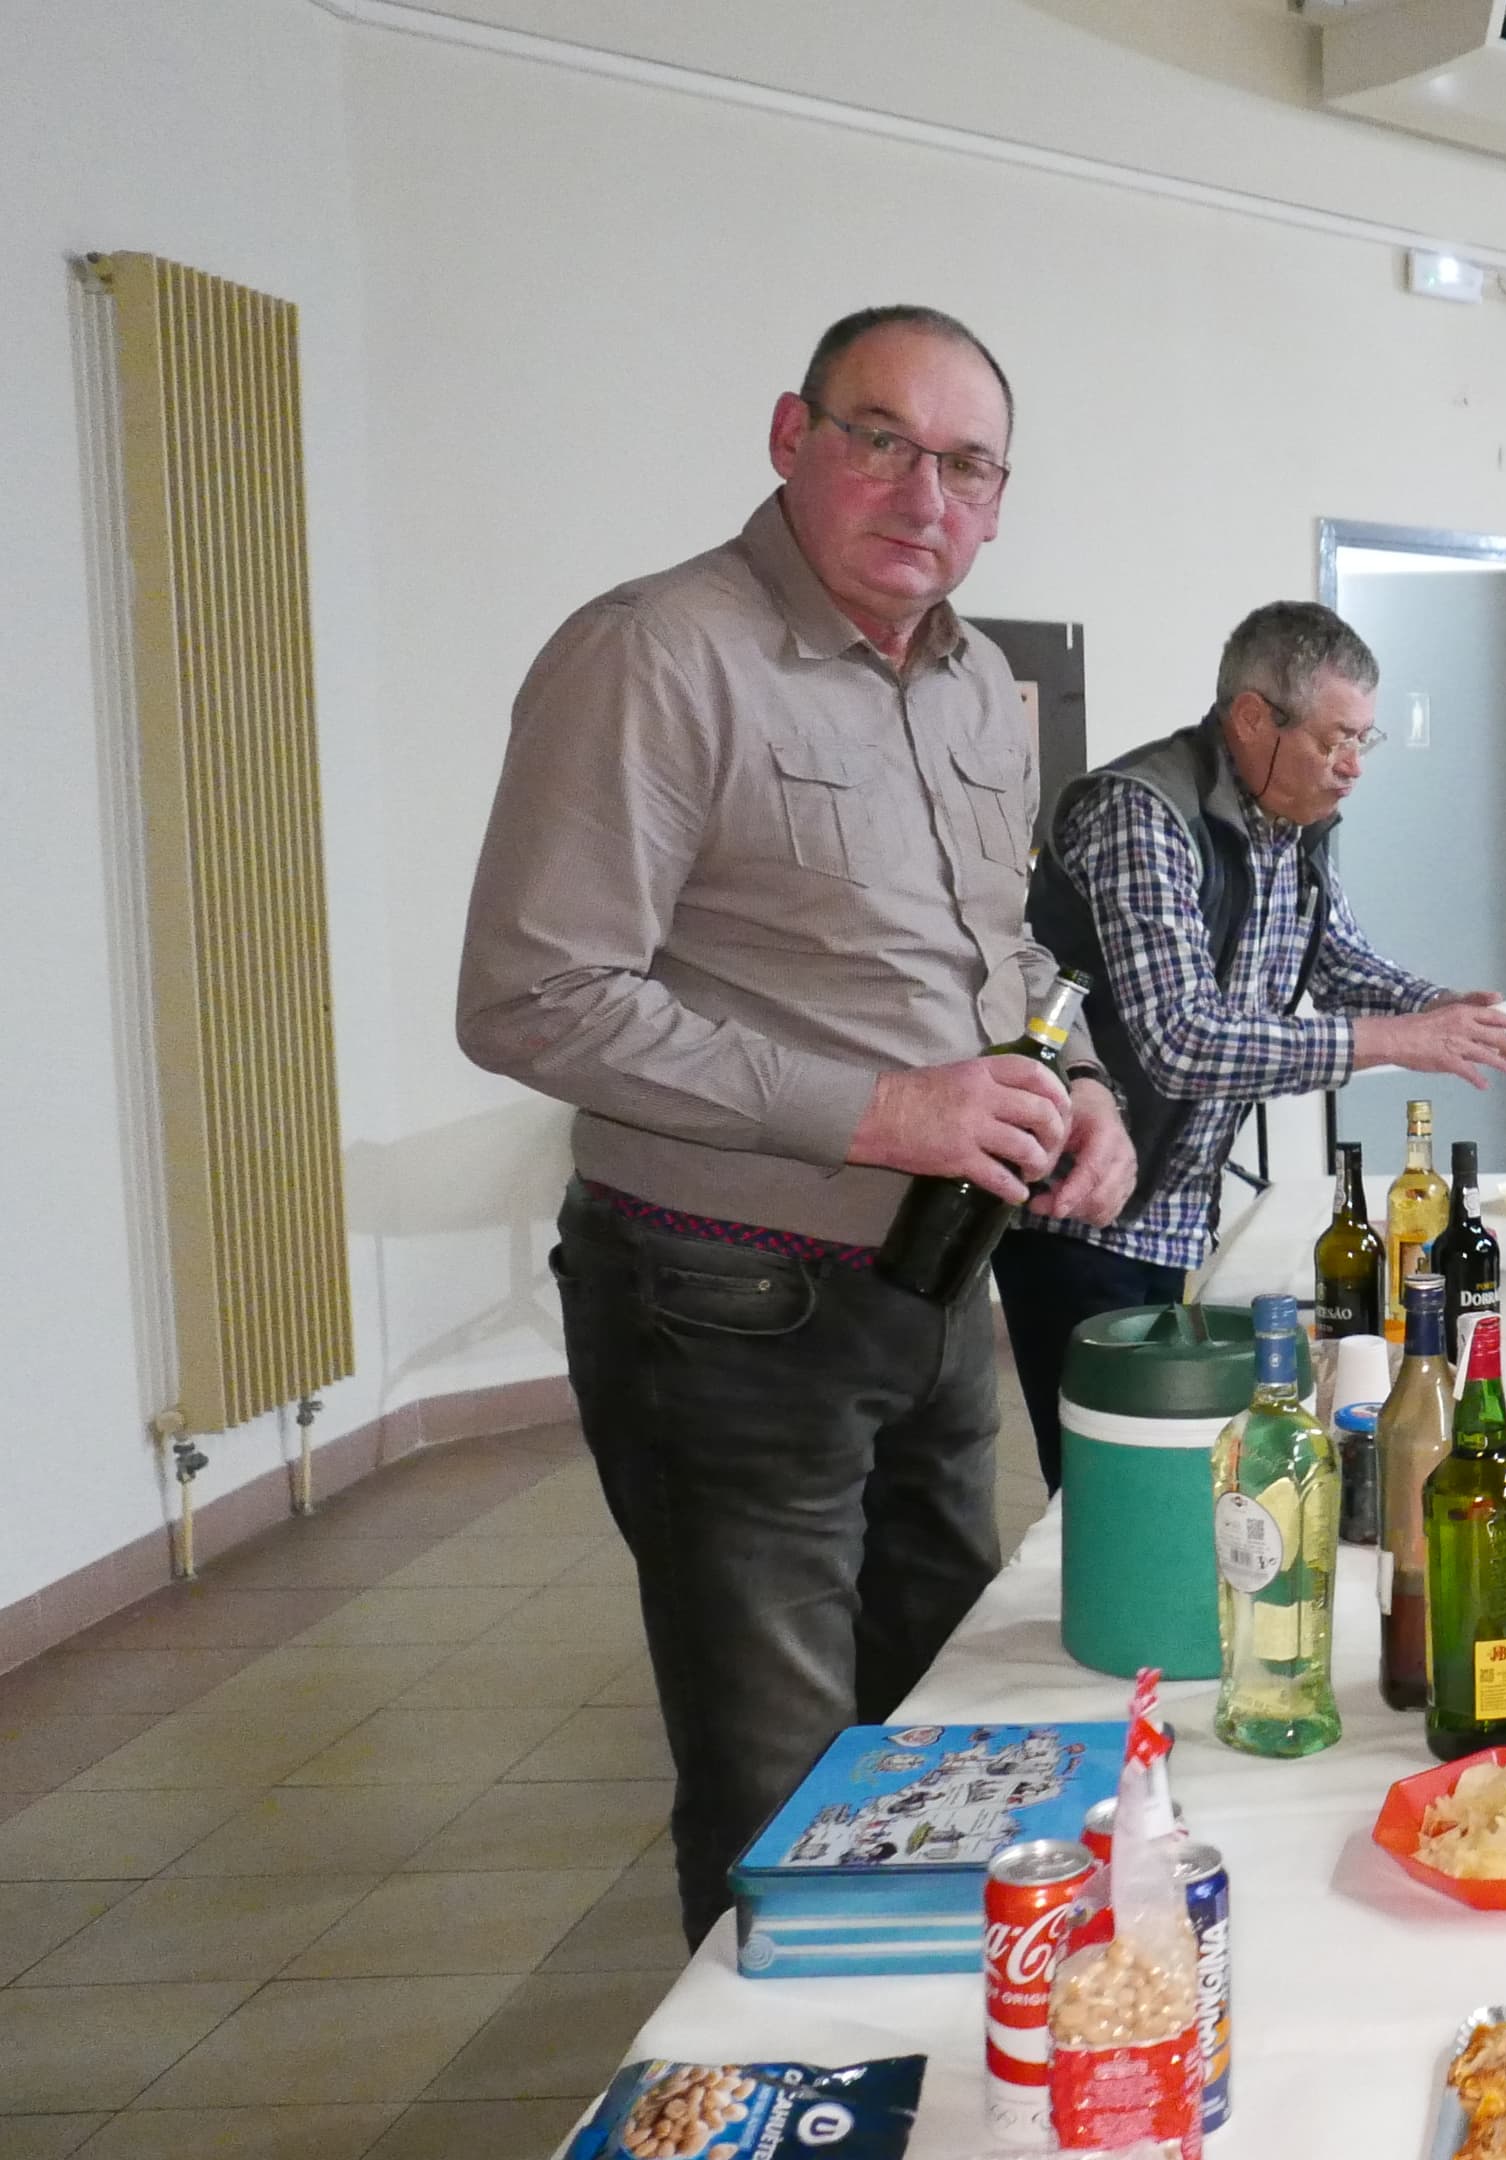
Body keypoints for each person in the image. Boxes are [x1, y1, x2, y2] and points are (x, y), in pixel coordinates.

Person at [460, 305, 1137, 1945]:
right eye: (880, 441)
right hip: (721, 1306)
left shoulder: (976, 685)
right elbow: (533, 998)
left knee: (945, 1741)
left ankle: (937, 2058)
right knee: (780, 1783)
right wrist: (885, 1109)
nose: (924, 495)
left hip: (936, 1287)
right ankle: (776, 2068)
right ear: (791, 437)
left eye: (968, 465)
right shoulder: (658, 653)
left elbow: (996, 953)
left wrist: (1081, 1084)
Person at [997, 602, 1506, 1489]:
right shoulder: (1143, 814)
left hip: (1168, 1212)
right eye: (1335, 740)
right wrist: (1396, 1038)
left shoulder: (1291, 830)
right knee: (1103, 1490)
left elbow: (1338, 958)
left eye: (1365, 739)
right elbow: (1183, 1039)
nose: (1354, 766)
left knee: (1169, 1473)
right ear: (1253, 717)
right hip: (1075, 1206)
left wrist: (1441, 1008)